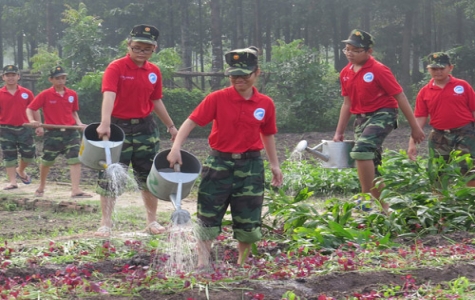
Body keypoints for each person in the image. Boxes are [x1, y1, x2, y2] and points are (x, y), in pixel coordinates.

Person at [167, 46, 283, 267]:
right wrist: (176, 148)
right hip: (219, 163)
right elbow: (191, 121)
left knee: (248, 216)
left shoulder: (265, 104)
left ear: (256, 73)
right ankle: (203, 262)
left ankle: (242, 262)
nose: (237, 79)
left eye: (243, 75)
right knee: (208, 213)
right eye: (233, 75)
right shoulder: (217, 98)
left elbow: (267, 134)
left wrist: (275, 165)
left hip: (251, 166)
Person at [94, 24, 178, 237]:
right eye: (138, 47)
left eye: (147, 49)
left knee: (147, 175)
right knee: (110, 175)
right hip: (117, 129)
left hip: (145, 128)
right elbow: (109, 95)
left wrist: (171, 126)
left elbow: (156, 100)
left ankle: (151, 221)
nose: (142, 52)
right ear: (129, 45)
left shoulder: (154, 71)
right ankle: (106, 223)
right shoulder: (116, 67)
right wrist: (104, 123)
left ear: (154, 49)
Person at [332, 29, 425, 212]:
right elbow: (346, 103)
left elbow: (400, 97)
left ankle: (365, 198)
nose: (350, 53)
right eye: (347, 49)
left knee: (361, 150)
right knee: (370, 164)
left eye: (355, 50)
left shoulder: (379, 70)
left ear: (369, 51)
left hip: (383, 113)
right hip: (361, 118)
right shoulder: (345, 73)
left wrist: (414, 128)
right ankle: (385, 209)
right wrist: (339, 131)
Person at [408, 52, 475, 186]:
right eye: (434, 69)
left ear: (450, 68)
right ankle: (439, 202)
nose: (438, 72)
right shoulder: (425, 91)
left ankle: (470, 200)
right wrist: (412, 143)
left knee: (469, 169)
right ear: (428, 69)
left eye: (441, 68)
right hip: (439, 135)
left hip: (465, 133)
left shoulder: (462, 86)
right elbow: (420, 118)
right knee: (437, 171)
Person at [26, 66, 91, 198]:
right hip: (53, 133)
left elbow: (73, 111)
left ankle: (75, 190)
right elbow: (30, 108)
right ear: (51, 79)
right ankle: (41, 186)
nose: (61, 80)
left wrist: (79, 123)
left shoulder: (72, 94)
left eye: (63, 78)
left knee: (75, 159)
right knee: (47, 161)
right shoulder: (45, 94)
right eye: (58, 78)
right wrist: (32, 120)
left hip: (70, 132)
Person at [0, 65, 39, 190]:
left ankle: (20, 170)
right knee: (9, 154)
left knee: (29, 154)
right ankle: (12, 182)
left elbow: (34, 109)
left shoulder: (27, 93)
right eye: (8, 75)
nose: (11, 78)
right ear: (3, 77)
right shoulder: (1, 93)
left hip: (24, 127)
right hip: (5, 128)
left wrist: (39, 125)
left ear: (18, 76)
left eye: (13, 75)